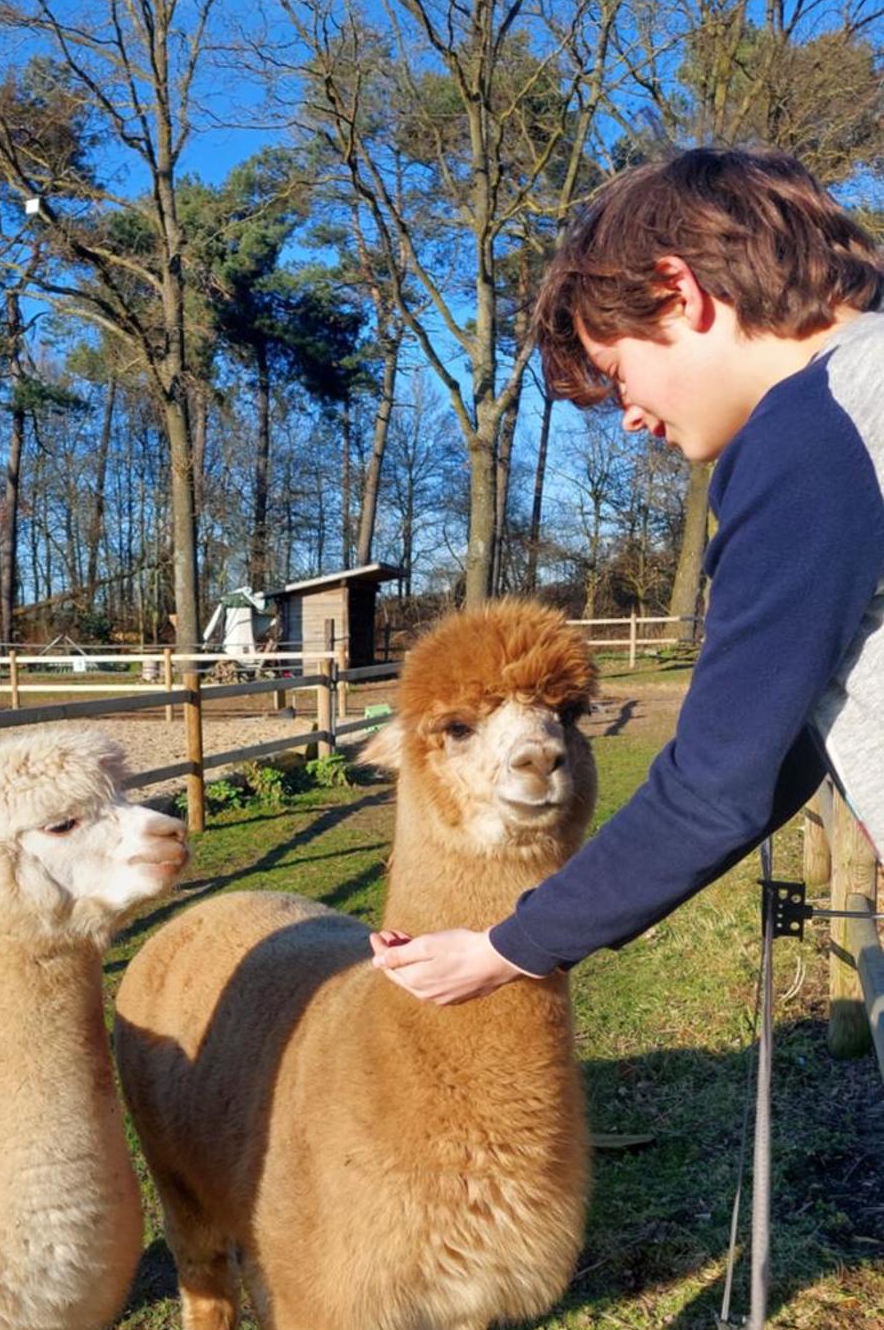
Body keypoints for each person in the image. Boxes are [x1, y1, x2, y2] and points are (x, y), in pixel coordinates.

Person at [371, 146, 884, 1005]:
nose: (633, 417)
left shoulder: (814, 432)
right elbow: (779, 742)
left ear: (680, 292)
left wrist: (515, 946)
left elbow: (717, 784)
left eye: (617, 374)